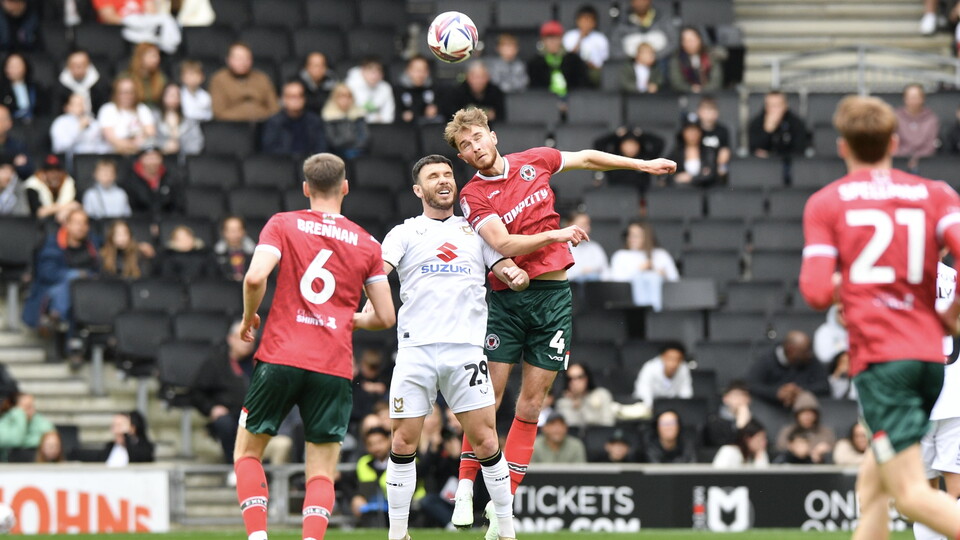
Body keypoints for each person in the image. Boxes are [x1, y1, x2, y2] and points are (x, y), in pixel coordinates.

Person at [444, 106, 675, 528]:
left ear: (492, 137)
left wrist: (640, 164)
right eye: (465, 146)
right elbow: (504, 243)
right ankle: (463, 488)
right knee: (487, 401)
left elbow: (587, 157)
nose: (474, 147)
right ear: (463, 158)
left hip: (553, 298)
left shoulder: (535, 160)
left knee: (530, 405)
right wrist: (557, 233)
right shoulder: (473, 195)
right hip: (508, 303)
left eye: (477, 137)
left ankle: (502, 505)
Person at [799, 95, 960, 540]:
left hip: (885, 363)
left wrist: (852, 287)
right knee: (871, 488)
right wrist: (952, 313)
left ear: (842, 147)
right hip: (929, 361)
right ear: (894, 141)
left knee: (910, 496)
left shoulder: (827, 203)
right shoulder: (937, 194)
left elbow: (814, 292)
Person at [232, 153, 395, 540]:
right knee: (321, 471)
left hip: (280, 355)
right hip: (332, 364)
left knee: (247, 453)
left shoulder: (283, 224)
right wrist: (342, 319)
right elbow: (386, 317)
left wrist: (248, 317)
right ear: (345, 188)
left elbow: (255, 278)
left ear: (305, 188)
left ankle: (257, 537)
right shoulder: (367, 243)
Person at [379, 154, 526, 540]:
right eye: (434, 176)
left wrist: (515, 274)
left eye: (447, 174)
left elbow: (505, 266)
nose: (443, 181)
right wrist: (366, 305)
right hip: (416, 351)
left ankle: (505, 532)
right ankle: (398, 533)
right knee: (403, 441)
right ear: (418, 189)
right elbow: (378, 274)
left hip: (465, 351)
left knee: (487, 441)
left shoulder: (477, 231)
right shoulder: (404, 233)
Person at [914, 258, 960, 540]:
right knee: (956, 493)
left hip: (915, 402)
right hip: (955, 397)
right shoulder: (954, 278)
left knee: (921, 495)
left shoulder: (898, 276)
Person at [21, 208, 100, 339]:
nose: (81, 227)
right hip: (50, 291)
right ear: (67, 224)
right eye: (76, 223)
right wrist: (76, 275)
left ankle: (56, 317)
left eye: (84, 223)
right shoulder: (52, 244)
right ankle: (56, 318)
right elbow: (47, 273)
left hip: (86, 290)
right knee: (69, 282)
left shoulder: (92, 244)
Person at [191, 321, 253, 465]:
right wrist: (211, 408)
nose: (247, 342)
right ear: (231, 339)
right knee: (224, 423)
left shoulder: (259, 362)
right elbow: (196, 393)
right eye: (243, 336)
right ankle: (233, 465)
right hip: (230, 415)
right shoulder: (216, 363)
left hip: (255, 415)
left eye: (251, 338)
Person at [747, 330, 830, 409]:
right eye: (804, 351)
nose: (809, 354)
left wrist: (799, 391)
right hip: (770, 410)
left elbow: (824, 386)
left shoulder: (810, 360)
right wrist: (777, 393)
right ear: (791, 350)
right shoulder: (767, 360)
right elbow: (752, 385)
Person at [609, 221, 679, 309]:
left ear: (647, 237)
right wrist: (639, 270)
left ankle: (653, 313)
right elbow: (616, 281)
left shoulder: (661, 254)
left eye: (636, 236)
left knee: (653, 277)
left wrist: (663, 274)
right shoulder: (621, 255)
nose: (632, 238)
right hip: (629, 300)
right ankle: (642, 312)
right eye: (630, 235)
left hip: (662, 300)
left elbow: (675, 279)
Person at [210, 42, 279, 122]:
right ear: (228, 60)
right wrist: (247, 114)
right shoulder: (219, 79)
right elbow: (218, 113)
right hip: (231, 127)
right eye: (238, 58)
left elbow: (275, 110)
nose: (243, 62)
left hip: (262, 125)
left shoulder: (262, 78)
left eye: (247, 58)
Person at [261, 80, 327, 156]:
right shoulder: (274, 122)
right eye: (292, 96)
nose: (296, 100)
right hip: (283, 164)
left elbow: (321, 149)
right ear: (284, 99)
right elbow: (270, 150)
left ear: (304, 98)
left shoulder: (315, 121)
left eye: (300, 95)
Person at [593, 126, 665, 193]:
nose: (630, 148)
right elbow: (598, 144)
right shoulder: (613, 159)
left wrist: (642, 135)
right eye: (627, 145)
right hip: (616, 195)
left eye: (633, 145)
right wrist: (615, 135)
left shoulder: (645, 159)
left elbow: (660, 143)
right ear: (621, 145)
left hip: (640, 196)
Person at [527, 21, 590, 98]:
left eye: (556, 38)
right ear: (543, 40)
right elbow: (535, 89)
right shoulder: (535, 63)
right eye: (549, 38)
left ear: (561, 39)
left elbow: (581, 85)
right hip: (545, 102)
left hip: (572, 101)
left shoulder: (574, 60)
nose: (552, 42)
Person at [98, 76, 157, 155]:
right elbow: (110, 138)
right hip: (114, 154)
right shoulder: (108, 109)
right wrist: (130, 146)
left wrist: (136, 144)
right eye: (124, 92)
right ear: (117, 93)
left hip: (140, 155)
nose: (128, 96)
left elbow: (151, 132)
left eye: (131, 92)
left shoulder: (142, 109)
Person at [349, 426, 394, 527]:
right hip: (372, 510)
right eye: (371, 444)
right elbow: (352, 483)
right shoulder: (363, 462)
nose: (376, 447)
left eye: (380, 442)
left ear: (389, 440)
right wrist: (356, 496)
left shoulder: (401, 461)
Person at [774, 392, 836, 464]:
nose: (807, 416)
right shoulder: (788, 431)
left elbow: (834, 455)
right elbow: (780, 450)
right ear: (797, 415)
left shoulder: (826, 432)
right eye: (803, 412)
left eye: (810, 412)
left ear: (816, 415)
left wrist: (824, 451)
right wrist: (794, 448)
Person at [123, 146, 179, 219]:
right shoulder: (130, 180)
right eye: (149, 158)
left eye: (156, 157)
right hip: (140, 222)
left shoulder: (170, 178)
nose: (153, 162)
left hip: (166, 221)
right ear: (141, 159)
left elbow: (176, 205)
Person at [748, 90, 808, 159]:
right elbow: (754, 151)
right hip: (763, 166)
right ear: (766, 107)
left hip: (788, 164)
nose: (774, 109)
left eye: (778, 105)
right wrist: (767, 131)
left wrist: (776, 156)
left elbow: (799, 151)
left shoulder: (796, 124)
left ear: (785, 106)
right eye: (771, 106)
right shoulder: (756, 123)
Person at [610, 0, 677, 61]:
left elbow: (673, 42)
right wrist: (636, 59)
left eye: (643, 0)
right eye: (637, 1)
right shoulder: (622, 23)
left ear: (649, 1)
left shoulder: (663, 19)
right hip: (630, 66)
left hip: (661, 63)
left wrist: (654, 56)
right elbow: (615, 48)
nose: (640, 3)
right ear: (631, 3)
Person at [894, 83, 940, 171]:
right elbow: (893, 141)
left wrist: (918, 158)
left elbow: (931, 144)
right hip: (899, 162)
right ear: (904, 98)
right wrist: (904, 158)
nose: (913, 100)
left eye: (916, 97)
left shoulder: (932, 119)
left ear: (922, 98)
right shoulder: (895, 117)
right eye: (910, 97)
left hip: (926, 163)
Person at [555, 363, 615, 428]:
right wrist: (575, 405)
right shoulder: (563, 402)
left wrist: (581, 407)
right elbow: (571, 427)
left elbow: (608, 423)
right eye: (570, 379)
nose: (575, 382)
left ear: (587, 378)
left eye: (580, 377)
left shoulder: (602, 394)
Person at [631, 341, 692, 405]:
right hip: (649, 408)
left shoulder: (683, 369)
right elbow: (643, 393)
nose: (673, 363)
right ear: (662, 357)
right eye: (670, 358)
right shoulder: (650, 368)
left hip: (673, 409)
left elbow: (686, 394)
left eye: (677, 359)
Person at [23, 154, 80, 223]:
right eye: (50, 171)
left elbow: (77, 205)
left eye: (57, 170)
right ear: (43, 173)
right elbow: (40, 212)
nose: (54, 174)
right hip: (38, 226)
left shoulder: (68, 182)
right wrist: (65, 207)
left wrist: (65, 211)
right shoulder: (33, 185)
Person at [668, 27, 723, 94]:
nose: (689, 44)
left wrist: (703, 90)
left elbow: (716, 80)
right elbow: (676, 82)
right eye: (685, 40)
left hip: (710, 95)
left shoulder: (711, 55)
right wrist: (691, 89)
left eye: (692, 40)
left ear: (699, 39)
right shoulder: (676, 58)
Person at [154, 82, 204, 157]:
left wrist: (180, 146)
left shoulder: (189, 121)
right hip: (158, 159)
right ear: (163, 96)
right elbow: (148, 140)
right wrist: (163, 146)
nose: (174, 98)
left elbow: (196, 144)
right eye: (171, 95)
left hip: (183, 160)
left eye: (177, 95)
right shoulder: (154, 117)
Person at [562, 5, 610, 83]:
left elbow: (605, 62)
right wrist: (581, 38)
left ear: (594, 23)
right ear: (577, 21)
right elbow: (568, 58)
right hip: (574, 73)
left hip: (595, 72)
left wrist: (594, 66)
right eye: (584, 20)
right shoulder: (569, 36)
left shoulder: (601, 38)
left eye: (589, 20)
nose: (586, 24)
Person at [54, 50, 109, 117]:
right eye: (74, 65)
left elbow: (104, 112)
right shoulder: (60, 87)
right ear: (68, 66)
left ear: (88, 65)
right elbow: (56, 113)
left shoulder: (100, 85)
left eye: (82, 64)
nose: (78, 68)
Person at [321, 83, 368, 160]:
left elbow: (365, 139)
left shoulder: (359, 115)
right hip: (336, 156)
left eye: (348, 96)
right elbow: (332, 142)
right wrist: (350, 140)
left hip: (358, 154)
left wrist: (351, 145)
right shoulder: (328, 117)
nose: (345, 100)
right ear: (334, 98)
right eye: (341, 96)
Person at [702, 380, 753, 449]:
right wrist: (739, 426)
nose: (741, 399)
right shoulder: (714, 420)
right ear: (725, 398)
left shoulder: (755, 421)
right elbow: (722, 445)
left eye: (745, 395)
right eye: (736, 395)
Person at [668, 120, 720, 187]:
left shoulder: (709, 151)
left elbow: (711, 175)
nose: (692, 134)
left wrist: (692, 178)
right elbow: (666, 175)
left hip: (704, 190)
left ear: (701, 133)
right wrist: (677, 178)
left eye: (695, 131)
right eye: (689, 131)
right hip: (681, 192)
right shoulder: (676, 153)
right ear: (683, 133)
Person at [344, 57, 394, 124]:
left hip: (380, 126)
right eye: (371, 71)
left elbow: (389, 114)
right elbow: (350, 113)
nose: (374, 76)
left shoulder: (385, 88)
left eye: (378, 72)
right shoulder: (349, 86)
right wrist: (373, 118)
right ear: (362, 71)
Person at [394, 55, 441, 125]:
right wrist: (403, 116)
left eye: (424, 70)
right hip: (406, 131)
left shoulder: (435, 88)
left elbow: (445, 114)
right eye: (417, 70)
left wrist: (436, 111)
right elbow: (393, 116)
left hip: (428, 130)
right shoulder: (398, 90)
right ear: (408, 71)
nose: (420, 74)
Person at [0, 53, 45, 123]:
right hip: (11, 125)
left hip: (34, 124)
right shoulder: (2, 90)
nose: (14, 69)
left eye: (17, 66)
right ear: (5, 68)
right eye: (11, 66)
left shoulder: (35, 88)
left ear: (25, 66)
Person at [565, 211, 608, 282]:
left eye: (588, 225)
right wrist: (581, 273)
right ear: (569, 225)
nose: (586, 229)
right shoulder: (561, 248)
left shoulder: (595, 248)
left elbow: (606, 274)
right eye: (582, 225)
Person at [121, 42, 167, 108]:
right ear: (141, 57)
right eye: (153, 55)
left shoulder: (161, 78)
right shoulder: (127, 78)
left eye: (158, 55)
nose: (157, 59)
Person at [695, 97, 732, 177]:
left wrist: (721, 166)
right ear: (699, 111)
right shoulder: (694, 130)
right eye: (706, 110)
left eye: (712, 109)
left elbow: (725, 151)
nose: (709, 113)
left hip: (716, 166)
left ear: (717, 112)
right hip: (698, 165)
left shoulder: (723, 130)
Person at [214, 215, 255, 282]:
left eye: (238, 229)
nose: (235, 233)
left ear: (244, 231)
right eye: (231, 230)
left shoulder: (256, 254)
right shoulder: (215, 255)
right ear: (223, 232)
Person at [0, 104, 32, 178]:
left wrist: (14, 168)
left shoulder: (17, 146)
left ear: (9, 123)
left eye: (0, 120)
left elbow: (28, 170)